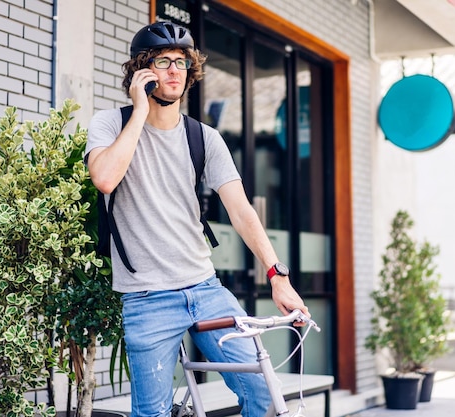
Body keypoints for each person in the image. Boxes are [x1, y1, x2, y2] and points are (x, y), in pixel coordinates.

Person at [85, 21, 309, 417]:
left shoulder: (204, 137)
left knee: (264, 395)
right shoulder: (110, 124)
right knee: (151, 413)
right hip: (146, 297)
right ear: (143, 70)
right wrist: (140, 110)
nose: (174, 70)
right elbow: (105, 179)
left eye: (182, 63)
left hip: (206, 290)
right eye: (162, 61)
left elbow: (241, 211)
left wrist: (278, 275)